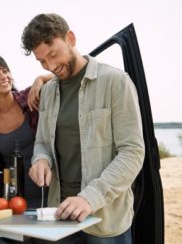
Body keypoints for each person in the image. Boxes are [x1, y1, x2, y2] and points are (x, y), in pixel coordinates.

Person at [21, 13, 145, 243]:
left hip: (104, 217)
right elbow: (42, 143)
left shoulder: (115, 82)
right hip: (59, 214)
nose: (50, 65)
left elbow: (132, 152)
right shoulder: (47, 93)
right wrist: (41, 160)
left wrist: (89, 198)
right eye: (42, 61)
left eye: (53, 54)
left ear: (70, 38)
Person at [0, 53, 52, 208]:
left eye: (5, 71)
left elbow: (64, 77)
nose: (4, 77)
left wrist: (40, 79)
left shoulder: (31, 96)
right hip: (17, 199)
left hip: (52, 190)